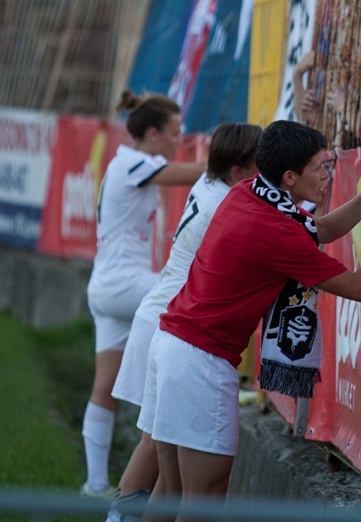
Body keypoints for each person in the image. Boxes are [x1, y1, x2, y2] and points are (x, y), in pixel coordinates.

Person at [137, 120, 361, 517]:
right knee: (203, 503)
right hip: (199, 362)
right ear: (289, 176)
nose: (328, 175)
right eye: (321, 167)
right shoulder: (277, 230)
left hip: (171, 348)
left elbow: (321, 229)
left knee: (170, 494)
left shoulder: (250, 193)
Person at [105, 122, 262, 521]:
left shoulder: (211, 187)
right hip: (168, 321)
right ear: (239, 170)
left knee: (162, 458)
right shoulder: (226, 204)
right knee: (153, 444)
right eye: (263, 163)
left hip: (162, 317)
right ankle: (117, 518)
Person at [81, 91, 206, 498]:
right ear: (153, 133)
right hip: (124, 284)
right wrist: (230, 161)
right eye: (174, 133)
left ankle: (95, 485)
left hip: (106, 285)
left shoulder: (125, 162)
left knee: (104, 389)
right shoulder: (137, 160)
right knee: (191, 302)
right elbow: (196, 174)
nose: (179, 140)